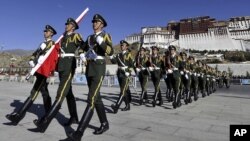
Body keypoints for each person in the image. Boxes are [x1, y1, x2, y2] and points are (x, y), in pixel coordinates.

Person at [66, 14, 114, 141]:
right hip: (89, 68)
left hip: (99, 68)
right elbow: (82, 48)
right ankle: (104, 123)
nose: (94, 24)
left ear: (102, 24)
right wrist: (81, 55)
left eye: (97, 22)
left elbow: (110, 52)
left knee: (91, 99)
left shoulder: (105, 36)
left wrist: (102, 43)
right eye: (93, 22)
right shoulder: (89, 37)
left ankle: (79, 133)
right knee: (96, 98)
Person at [33, 18, 84, 132]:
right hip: (61, 66)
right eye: (66, 24)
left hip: (69, 65)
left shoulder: (75, 35)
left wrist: (81, 54)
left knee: (60, 92)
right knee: (68, 93)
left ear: (73, 26)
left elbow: (82, 45)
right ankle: (74, 117)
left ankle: (44, 122)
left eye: (69, 24)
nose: (66, 25)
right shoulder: (62, 37)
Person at [5, 25, 56, 125]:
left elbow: (50, 56)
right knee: (44, 91)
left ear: (51, 33)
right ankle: (49, 113)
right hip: (38, 70)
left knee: (34, 91)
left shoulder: (53, 44)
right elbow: (35, 53)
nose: (45, 33)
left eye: (47, 31)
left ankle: (18, 116)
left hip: (44, 71)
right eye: (44, 31)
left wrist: (44, 52)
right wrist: (32, 60)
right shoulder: (42, 43)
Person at [110, 40, 134, 113]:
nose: (122, 46)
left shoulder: (129, 54)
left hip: (126, 74)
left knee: (123, 91)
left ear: (126, 47)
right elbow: (114, 62)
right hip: (119, 73)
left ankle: (116, 106)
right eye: (121, 45)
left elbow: (132, 65)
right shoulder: (118, 55)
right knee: (124, 91)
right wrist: (111, 56)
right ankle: (127, 106)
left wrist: (128, 72)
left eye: (123, 45)